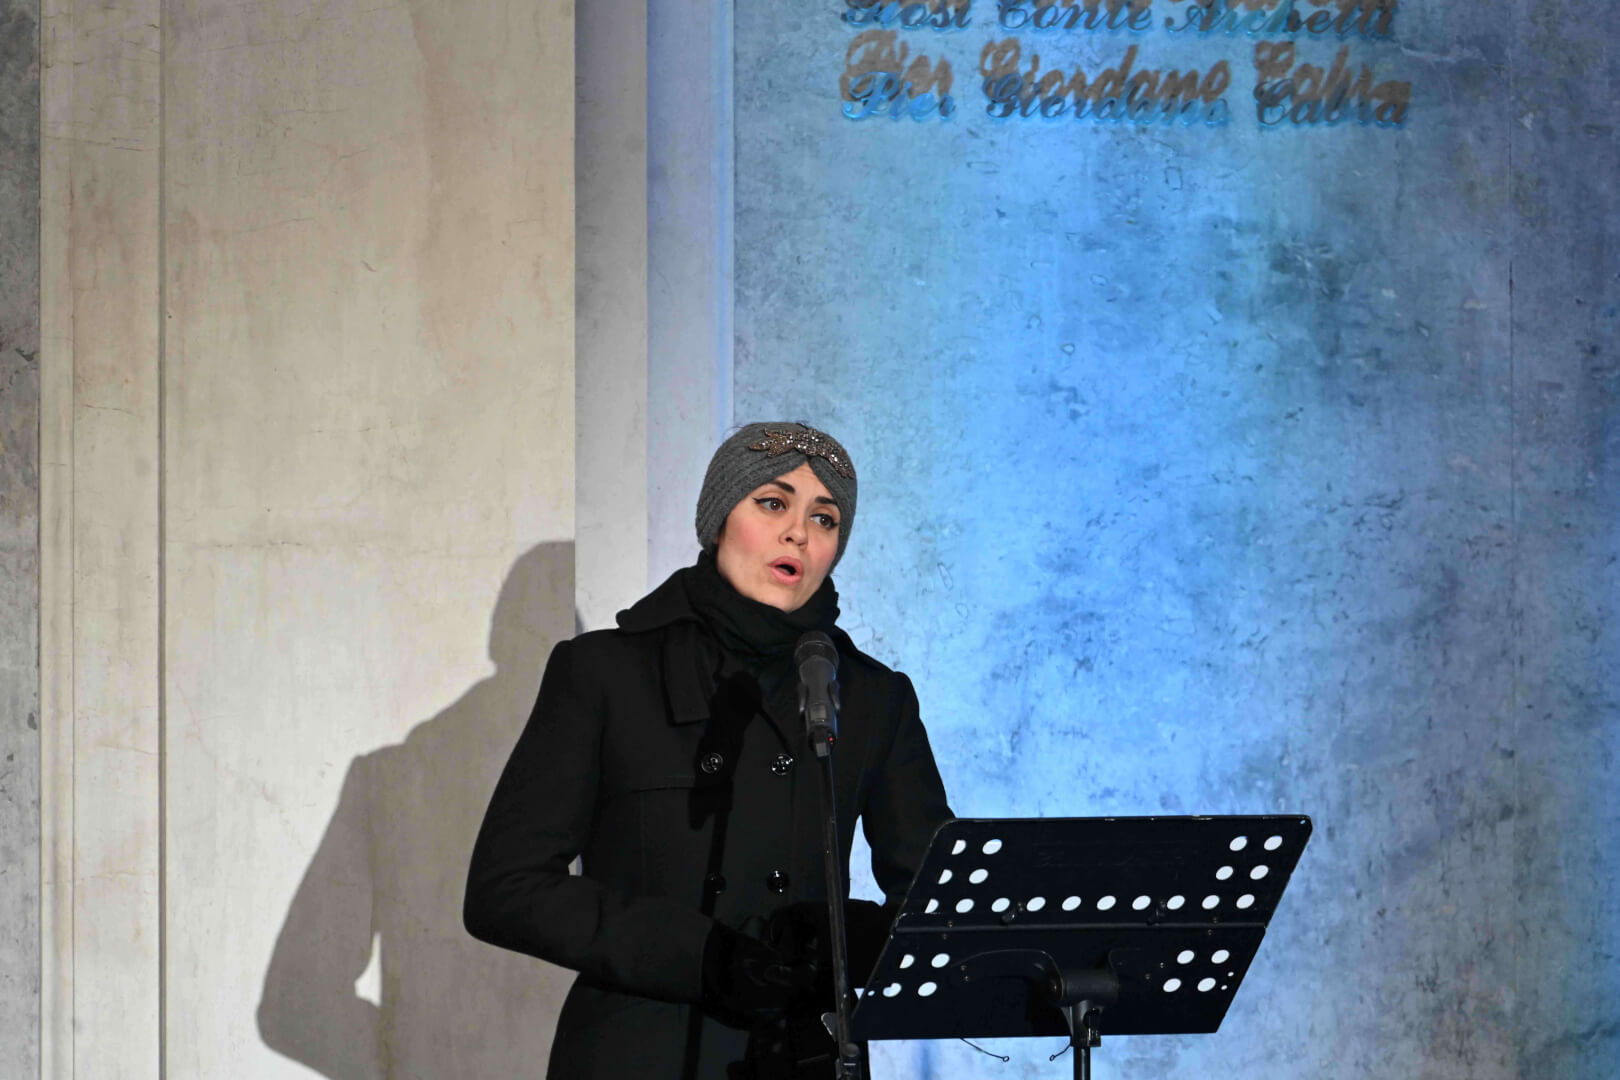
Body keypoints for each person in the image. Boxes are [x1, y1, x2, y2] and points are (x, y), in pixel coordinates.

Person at [463, 421, 953, 1078]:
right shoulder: (605, 673)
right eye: (773, 503)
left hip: (804, 1057)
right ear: (719, 519)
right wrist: (700, 955)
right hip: (639, 1055)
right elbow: (505, 889)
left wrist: (842, 941)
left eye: (825, 518)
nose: (799, 534)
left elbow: (939, 908)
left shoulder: (873, 697)